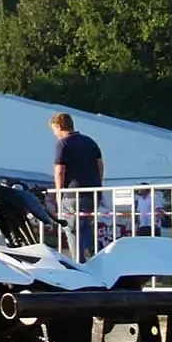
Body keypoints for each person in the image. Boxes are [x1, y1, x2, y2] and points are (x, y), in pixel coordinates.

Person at [48, 111, 105, 259]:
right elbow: (100, 165)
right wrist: (98, 185)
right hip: (92, 193)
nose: (54, 134)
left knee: (72, 229)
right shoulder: (89, 141)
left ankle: (79, 263)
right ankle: (98, 256)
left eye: (54, 130)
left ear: (59, 126)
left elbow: (60, 170)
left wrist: (59, 193)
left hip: (73, 194)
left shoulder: (63, 144)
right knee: (86, 226)